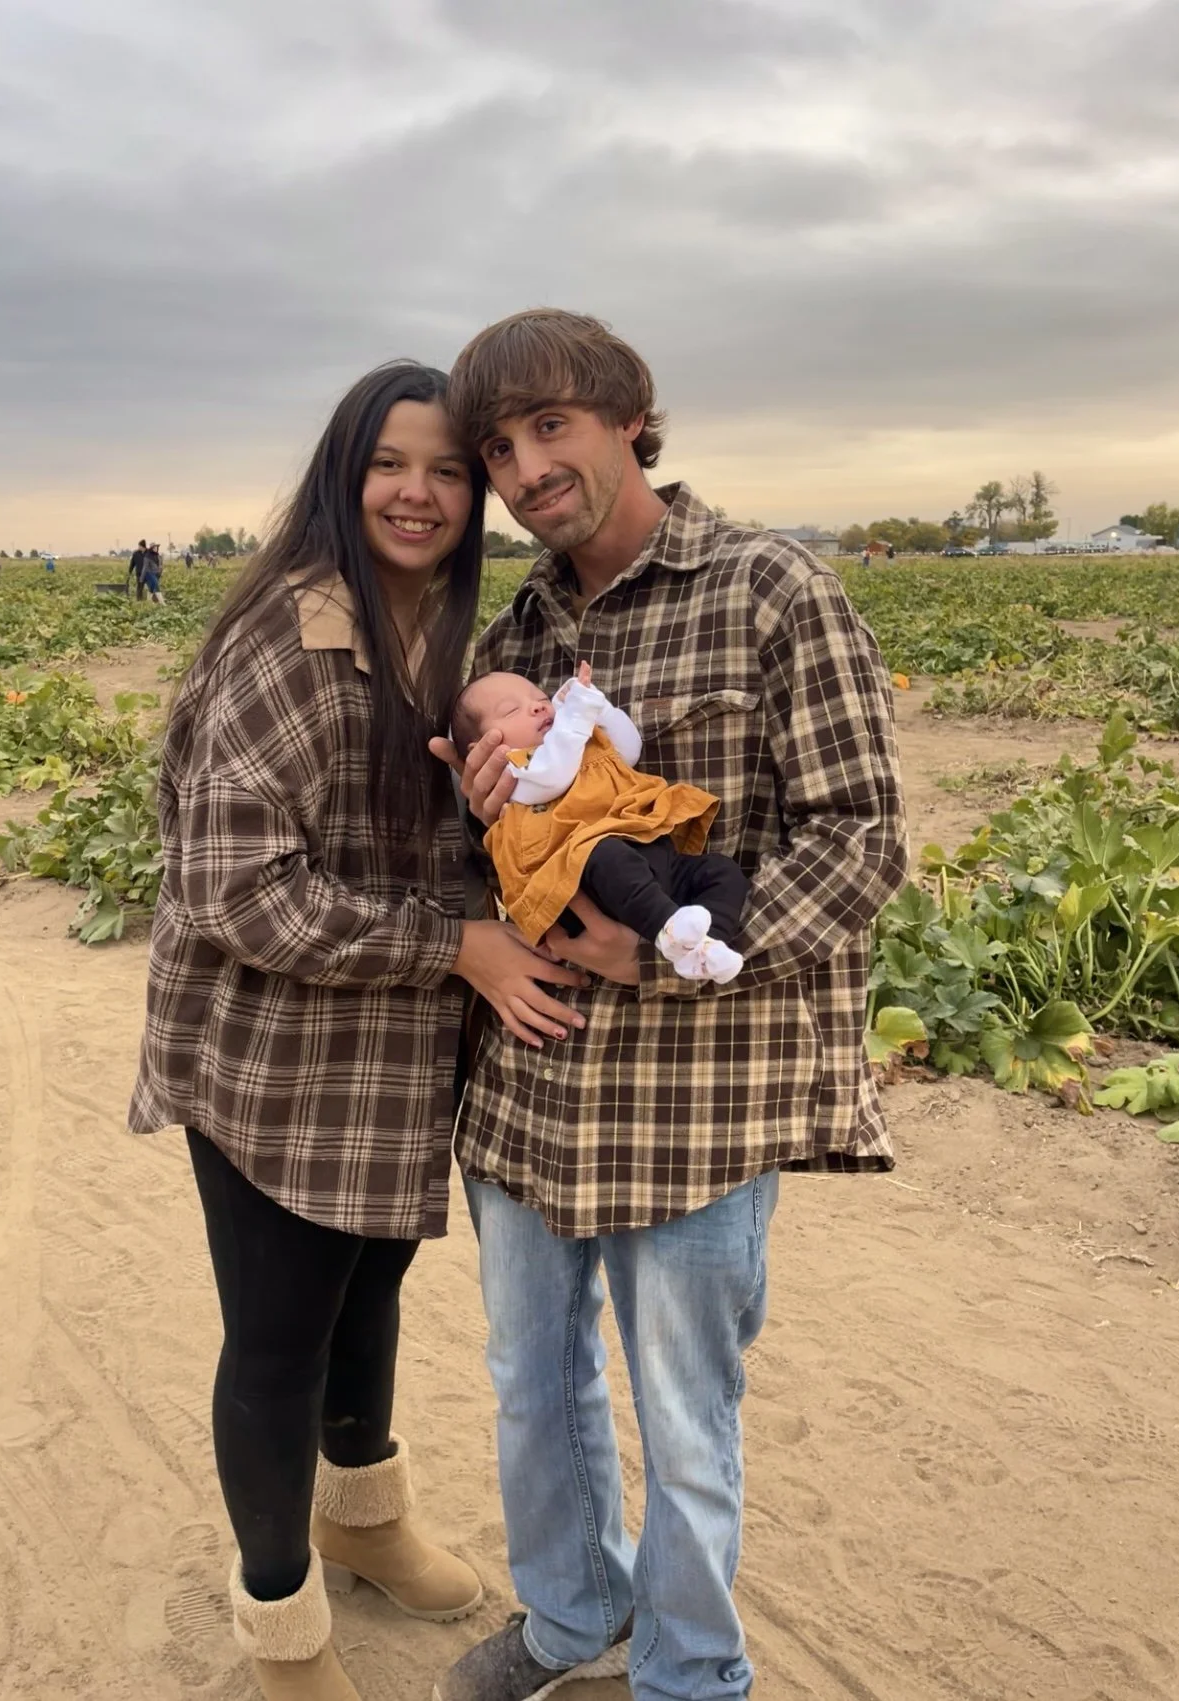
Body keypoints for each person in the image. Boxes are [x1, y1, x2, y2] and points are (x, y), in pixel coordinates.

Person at [430, 310, 907, 1701]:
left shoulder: (771, 589)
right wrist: (479, 816)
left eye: (550, 428)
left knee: (688, 1420)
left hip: (699, 1094)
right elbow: (513, 850)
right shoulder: (517, 627)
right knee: (535, 1384)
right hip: (531, 1083)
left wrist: (673, 951)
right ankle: (575, 1620)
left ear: (630, 414)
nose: (525, 470)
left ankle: (692, 1673)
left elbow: (863, 840)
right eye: (500, 448)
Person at [128, 360, 586, 1701]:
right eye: (394, 462)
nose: (421, 491)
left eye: (451, 469)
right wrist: (459, 943)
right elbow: (231, 890)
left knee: (369, 1290)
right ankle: (282, 1622)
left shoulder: (450, 637)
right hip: (268, 1057)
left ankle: (364, 1517)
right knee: (276, 1341)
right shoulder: (286, 639)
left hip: (393, 1055)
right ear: (346, 470)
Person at [452, 662, 747, 983]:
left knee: (721, 871)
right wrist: (576, 715)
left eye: (540, 698)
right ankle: (667, 930)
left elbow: (629, 749)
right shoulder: (518, 770)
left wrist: (599, 707)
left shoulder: (578, 740)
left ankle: (706, 947)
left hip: (648, 853)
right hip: (586, 876)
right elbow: (553, 775)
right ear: (482, 748)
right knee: (607, 854)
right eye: (511, 711)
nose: (537, 705)